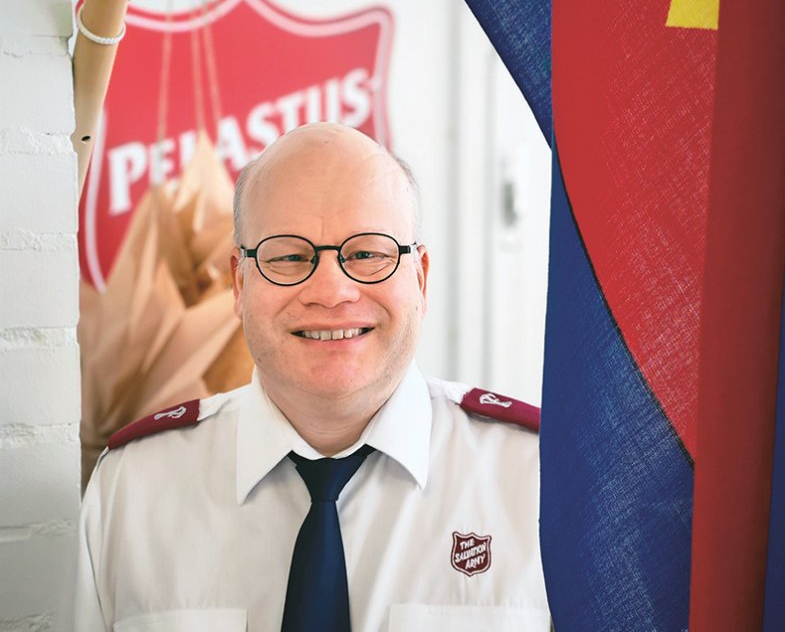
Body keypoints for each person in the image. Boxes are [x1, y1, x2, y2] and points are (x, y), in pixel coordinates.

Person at [74, 122, 550, 631]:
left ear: (420, 278)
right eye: (288, 256)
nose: (330, 291)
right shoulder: (132, 489)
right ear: (239, 283)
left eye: (367, 254)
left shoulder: (538, 480)